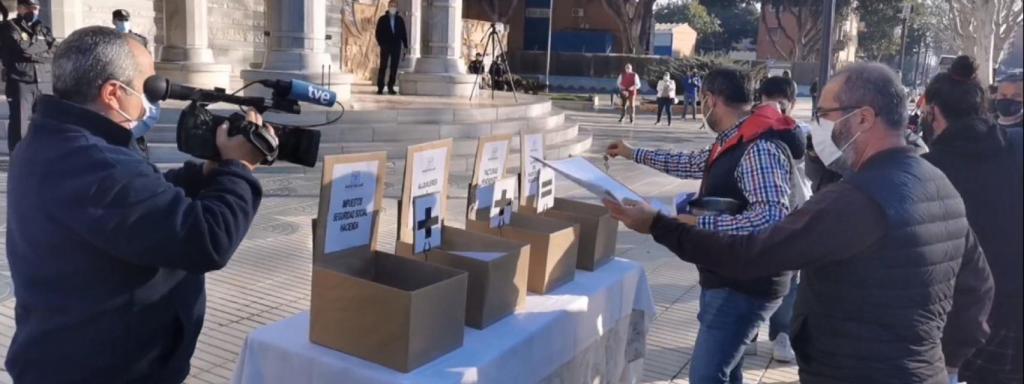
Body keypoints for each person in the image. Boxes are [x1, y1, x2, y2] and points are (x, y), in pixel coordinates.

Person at [604, 62, 994, 384]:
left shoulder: (854, 200)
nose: (816, 127)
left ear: (863, 118)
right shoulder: (936, 181)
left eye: (824, 115)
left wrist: (660, 225)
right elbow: (978, 288)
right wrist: (944, 362)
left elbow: (756, 252)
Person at [5, 26, 269, 382]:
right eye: (149, 85)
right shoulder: (93, 160)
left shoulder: (59, 139)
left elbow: (139, 200)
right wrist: (239, 170)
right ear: (113, 93)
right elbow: (207, 240)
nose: (153, 99)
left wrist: (206, 173)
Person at [607, 67, 806, 384]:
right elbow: (689, 162)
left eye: (701, 100)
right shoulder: (734, 139)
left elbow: (772, 218)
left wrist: (697, 222)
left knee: (706, 375)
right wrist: (633, 153)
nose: (700, 107)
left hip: (745, 284)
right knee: (728, 370)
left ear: (711, 100)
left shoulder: (758, 148)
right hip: (731, 274)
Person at [919, 55, 1023, 384]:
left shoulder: (929, 170)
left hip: (954, 321)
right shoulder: (1015, 150)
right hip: (1013, 311)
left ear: (933, 112)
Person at [754, 75, 812, 364]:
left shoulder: (803, 133)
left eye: (781, 105)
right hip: (756, 216)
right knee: (751, 273)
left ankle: (781, 334)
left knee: (789, 278)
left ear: (793, 104)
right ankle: (749, 334)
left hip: (794, 215)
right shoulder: (750, 131)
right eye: (769, 104)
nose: (775, 111)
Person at [0, 0, 55, 152]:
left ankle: (43, 156)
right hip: (21, 80)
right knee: (20, 124)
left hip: (43, 81)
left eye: (36, 8)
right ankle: (19, 158)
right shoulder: (9, 27)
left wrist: (34, 52)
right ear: (20, 8)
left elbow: (53, 52)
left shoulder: (43, 29)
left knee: (46, 122)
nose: (33, 11)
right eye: (29, 8)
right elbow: (22, 49)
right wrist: (42, 48)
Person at [113, 9, 154, 159]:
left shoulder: (139, 40)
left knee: (137, 122)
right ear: (114, 21)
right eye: (119, 20)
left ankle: (140, 153)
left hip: (135, 86)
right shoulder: (108, 39)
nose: (123, 23)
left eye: (125, 20)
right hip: (116, 86)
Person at [374, 0, 408, 95]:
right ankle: (380, 87)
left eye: (394, 5)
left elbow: (403, 34)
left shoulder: (400, 20)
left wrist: (405, 46)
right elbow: (378, 33)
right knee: (383, 66)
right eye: (391, 5)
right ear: (388, 6)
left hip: (396, 46)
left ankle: (391, 87)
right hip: (385, 46)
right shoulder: (382, 19)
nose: (392, 7)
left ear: (396, 7)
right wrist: (381, 44)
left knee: (394, 67)